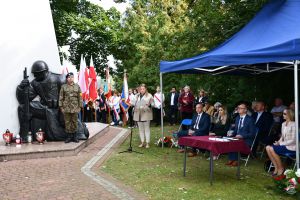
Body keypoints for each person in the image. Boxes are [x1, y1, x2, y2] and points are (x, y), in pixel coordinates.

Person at [16, 61, 88, 141]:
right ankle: (23, 135)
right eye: (34, 74)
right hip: (45, 108)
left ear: (45, 71)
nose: (35, 76)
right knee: (23, 107)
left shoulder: (60, 78)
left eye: (37, 74)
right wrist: (21, 87)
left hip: (60, 107)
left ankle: (79, 132)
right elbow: (24, 100)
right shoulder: (35, 83)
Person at [266, 109, 296, 176]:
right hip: (284, 145)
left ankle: (281, 168)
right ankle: (276, 168)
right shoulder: (283, 124)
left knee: (271, 148)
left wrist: (280, 143)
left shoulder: (294, 125)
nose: (283, 115)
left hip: (292, 147)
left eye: (285, 114)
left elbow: (293, 140)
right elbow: (282, 137)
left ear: (289, 115)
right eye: (283, 113)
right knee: (268, 147)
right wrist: (278, 142)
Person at [59, 72, 83, 143]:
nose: (70, 78)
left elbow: (80, 97)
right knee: (67, 122)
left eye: (72, 77)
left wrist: (80, 107)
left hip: (75, 108)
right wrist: (61, 107)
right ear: (67, 79)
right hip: (66, 108)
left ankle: (75, 136)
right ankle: (69, 137)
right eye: (69, 77)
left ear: (73, 78)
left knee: (74, 122)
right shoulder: (63, 87)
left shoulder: (77, 87)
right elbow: (61, 97)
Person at [133, 84, 154, 148]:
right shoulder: (136, 96)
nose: (142, 90)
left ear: (146, 89)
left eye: (143, 89)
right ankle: (142, 142)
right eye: (141, 89)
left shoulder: (149, 95)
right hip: (138, 114)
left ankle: (147, 142)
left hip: (146, 113)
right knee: (140, 129)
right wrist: (134, 104)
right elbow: (133, 103)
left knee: (146, 128)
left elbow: (153, 104)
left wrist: (149, 105)